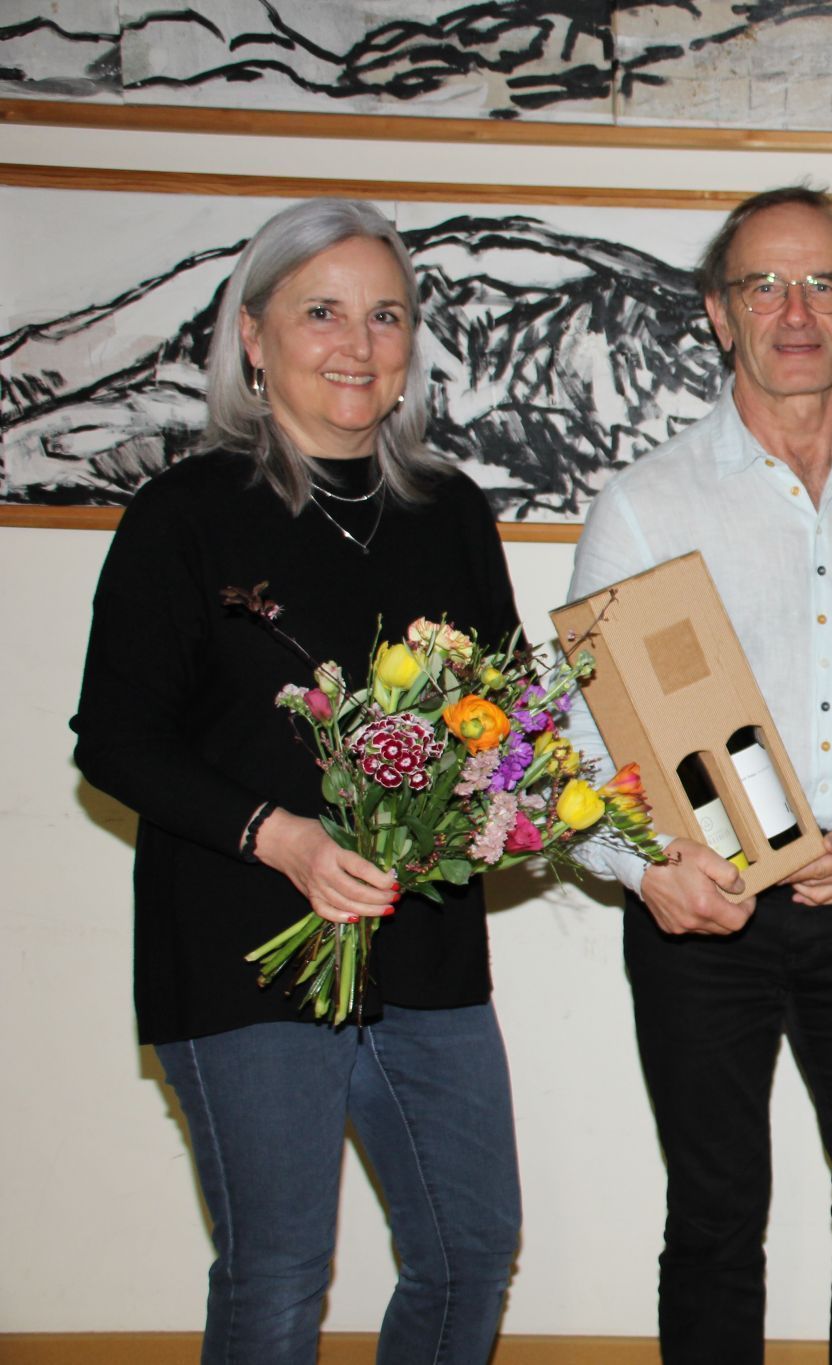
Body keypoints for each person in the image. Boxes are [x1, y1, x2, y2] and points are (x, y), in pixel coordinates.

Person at [71, 199, 523, 1363]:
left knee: (470, 1251)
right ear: (254, 337)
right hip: (241, 953)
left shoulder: (452, 513)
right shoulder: (185, 517)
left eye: (385, 315)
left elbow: (502, 724)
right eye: (321, 311)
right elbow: (115, 741)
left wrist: (498, 809)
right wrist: (282, 837)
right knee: (277, 1275)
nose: (358, 344)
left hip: (424, 956)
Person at [562, 185, 832, 1363]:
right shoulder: (644, 508)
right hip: (703, 922)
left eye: (823, 284)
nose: (794, 310)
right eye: (763, 284)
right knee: (711, 1227)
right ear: (718, 312)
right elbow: (583, 757)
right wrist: (647, 869)